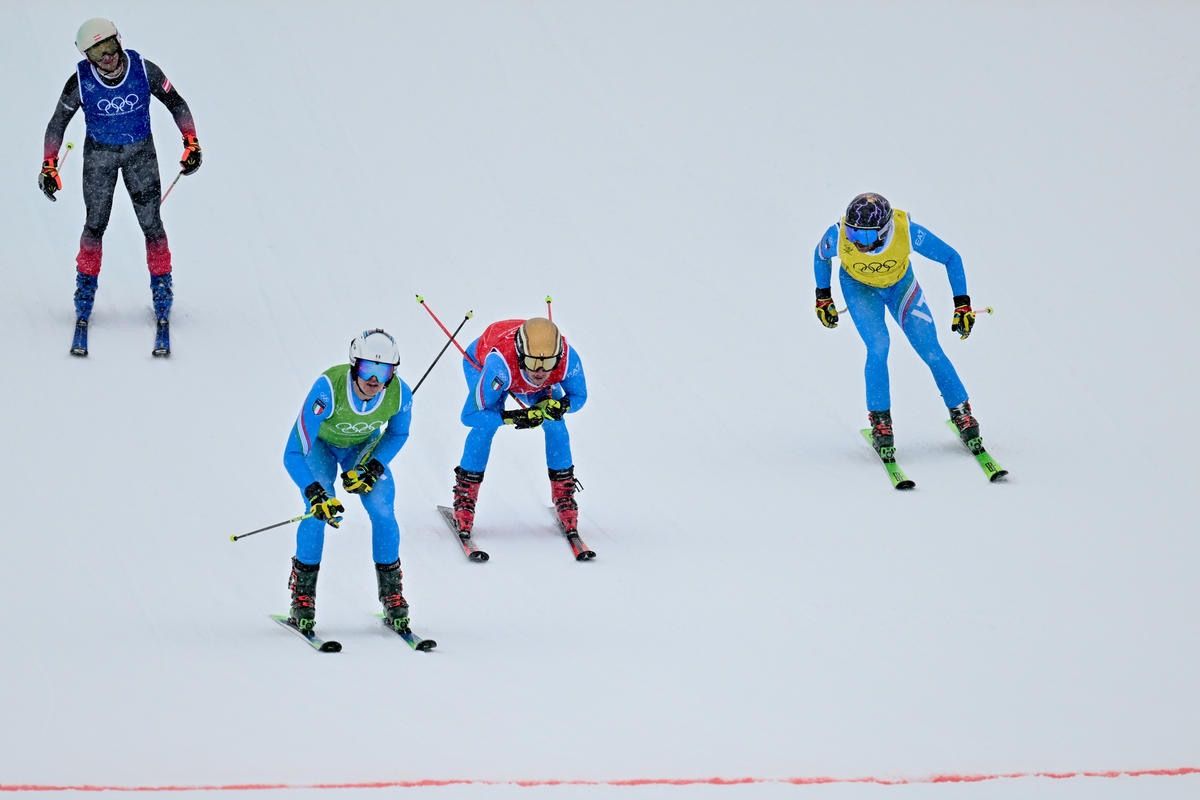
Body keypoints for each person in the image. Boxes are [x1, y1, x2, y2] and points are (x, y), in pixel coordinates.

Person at [40, 18, 202, 357]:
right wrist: (49, 164)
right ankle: (84, 293)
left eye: (110, 47)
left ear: (119, 41)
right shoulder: (81, 81)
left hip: (140, 154)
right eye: (98, 52)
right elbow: (57, 123)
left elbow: (176, 103)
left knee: (151, 224)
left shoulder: (143, 69)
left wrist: (191, 141)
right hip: (99, 157)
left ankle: (162, 290)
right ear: (87, 57)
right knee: (95, 224)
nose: (108, 57)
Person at [813, 192, 985, 453]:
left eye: (865, 237)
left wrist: (962, 304)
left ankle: (961, 411)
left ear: (884, 231)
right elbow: (820, 256)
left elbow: (951, 257)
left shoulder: (906, 231)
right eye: (852, 232)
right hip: (859, 289)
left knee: (930, 349)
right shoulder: (838, 235)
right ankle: (880, 421)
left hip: (900, 288)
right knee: (878, 346)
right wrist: (823, 297)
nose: (856, 242)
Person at [282, 329, 415, 633]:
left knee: (383, 510)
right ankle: (302, 596)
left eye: (384, 371)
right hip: (320, 448)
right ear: (355, 365)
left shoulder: (399, 394)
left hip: (362, 449)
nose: (374, 380)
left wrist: (374, 467)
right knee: (318, 511)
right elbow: (292, 453)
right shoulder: (328, 388)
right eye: (368, 369)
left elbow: (398, 433)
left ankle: (392, 594)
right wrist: (313, 491)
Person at [450, 317, 588, 538]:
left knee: (556, 424)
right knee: (485, 426)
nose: (540, 371)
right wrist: (512, 417)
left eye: (548, 363)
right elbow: (469, 416)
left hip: (519, 373)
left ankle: (564, 495)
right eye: (533, 362)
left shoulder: (567, 359)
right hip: (484, 364)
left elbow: (579, 397)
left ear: (558, 356)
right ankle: (465, 497)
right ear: (522, 355)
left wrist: (561, 406)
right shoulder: (500, 366)